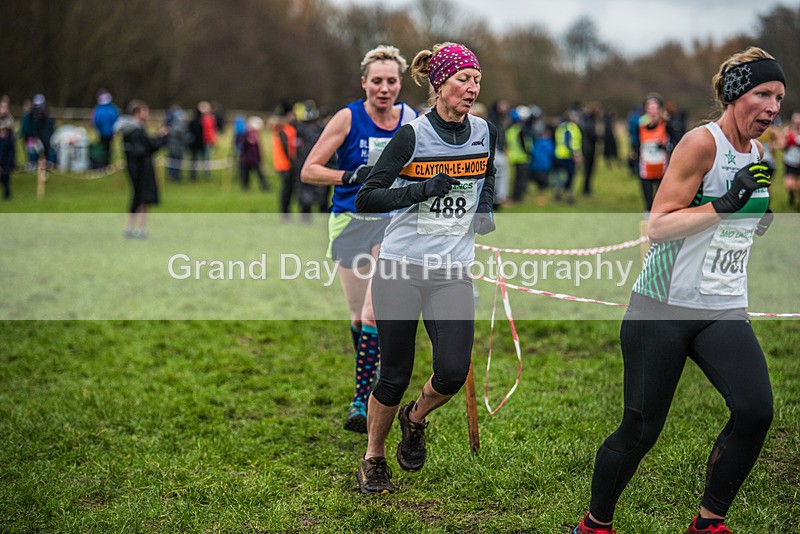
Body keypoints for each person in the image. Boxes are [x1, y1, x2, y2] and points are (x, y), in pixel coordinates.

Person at [574, 46, 784, 534]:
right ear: (735, 96)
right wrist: (729, 204)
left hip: (722, 305)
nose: (773, 107)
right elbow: (659, 225)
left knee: (755, 410)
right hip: (662, 306)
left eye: (778, 96)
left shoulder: (758, 150)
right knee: (641, 430)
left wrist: (754, 221)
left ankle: (708, 523)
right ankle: (594, 524)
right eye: (763, 94)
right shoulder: (699, 143)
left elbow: (726, 223)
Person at [353, 41, 497, 495]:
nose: (472, 88)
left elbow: (486, 175)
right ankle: (373, 458)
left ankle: (415, 419)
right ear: (439, 85)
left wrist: (484, 209)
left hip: (452, 269)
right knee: (393, 373)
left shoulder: (484, 131)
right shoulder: (412, 135)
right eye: (463, 80)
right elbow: (368, 197)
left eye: (476, 80)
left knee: (453, 370)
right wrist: (419, 190)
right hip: (401, 266)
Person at [300, 45, 417, 433]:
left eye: (392, 81)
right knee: (357, 315)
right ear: (364, 83)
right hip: (350, 220)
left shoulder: (412, 120)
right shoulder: (348, 118)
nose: (384, 89)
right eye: (377, 81)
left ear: (400, 84)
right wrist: (349, 176)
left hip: (390, 219)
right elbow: (310, 170)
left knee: (372, 312)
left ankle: (361, 398)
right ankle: (372, 370)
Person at [115, 99, 168, 238]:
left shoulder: (127, 130)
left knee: (137, 196)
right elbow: (147, 147)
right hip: (141, 168)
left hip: (134, 167)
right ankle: (138, 228)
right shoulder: (136, 131)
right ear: (138, 113)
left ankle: (131, 227)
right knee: (142, 197)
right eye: (145, 111)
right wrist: (162, 137)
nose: (147, 114)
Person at [637, 93, 670, 213]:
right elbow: (636, 143)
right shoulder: (641, 125)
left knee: (661, 202)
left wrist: (665, 146)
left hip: (663, 169)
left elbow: (676, 143)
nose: (652, 111)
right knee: (649, 202)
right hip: (646, 169)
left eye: (655, 108)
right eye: (649, 108)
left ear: (660, 109)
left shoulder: (667, 125)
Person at [272, 106, 298, 219]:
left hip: (285, 164)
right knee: (286, 191)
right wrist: (292, 162)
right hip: (285, 165)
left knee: (288, 190)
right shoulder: (284, 130)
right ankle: (285, 213)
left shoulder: (286, 129)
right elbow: (286, 148)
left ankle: (286, 213)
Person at [553, 108, 582, 203]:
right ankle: (568, 193)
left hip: (559, 154)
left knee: (560, 176)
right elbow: (568, 141)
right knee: (570, 175)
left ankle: (559, 191)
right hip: (567, 156)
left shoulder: (561, 126)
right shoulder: (571, 127)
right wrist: (575, 154)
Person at [238, 116, 269, 191]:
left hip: (255, 159)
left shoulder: (256, 135)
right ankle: (245, 187)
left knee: (260, 174)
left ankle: (264, 186)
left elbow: (257, 148)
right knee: (245, 174)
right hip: (246, 158)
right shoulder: (245, 134)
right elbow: (243, 146)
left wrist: (260, 157)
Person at [91, 89, 119, 169]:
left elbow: (96, 120)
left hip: (103, 132)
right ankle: (106, 163)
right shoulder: (112, 108)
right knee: (108, 148)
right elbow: (116, 119)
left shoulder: (99, 109)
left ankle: (103, 163)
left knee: (104, 147)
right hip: (108, 132)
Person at [780, 111, 800, 209]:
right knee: (790, 185)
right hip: (789, 161)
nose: (797, 124)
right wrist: (786, 143)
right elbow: (781, 146)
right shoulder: (787, 131)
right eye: (795, 121)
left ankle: (798, 204)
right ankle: (791, 195)